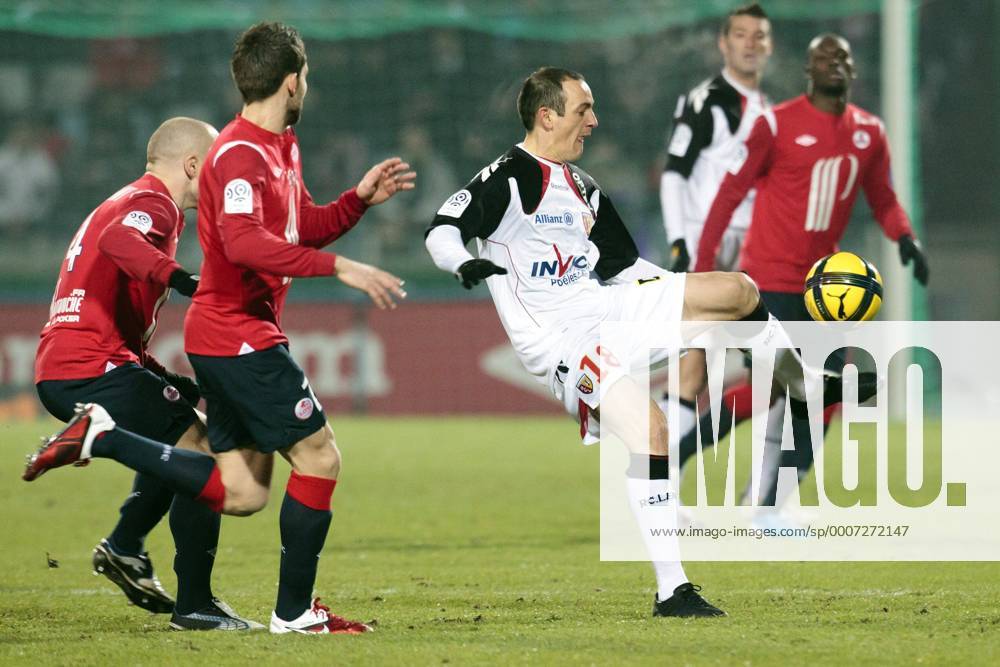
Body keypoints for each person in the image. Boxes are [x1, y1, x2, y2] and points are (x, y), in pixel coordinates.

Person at [24, 21, 413, 635]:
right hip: (234, 335)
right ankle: (283, 611)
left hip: (215, 336)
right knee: (318, 455)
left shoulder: (280, 147)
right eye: (306, 76)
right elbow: (243, 242)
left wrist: (356, 202)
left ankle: (134, 520)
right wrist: (338, 268)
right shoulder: (230, 158)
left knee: (240, 491)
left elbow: (295, 228)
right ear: (293, 80)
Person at [422, 67, 852, 618]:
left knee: (739, 290)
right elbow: (441, 228)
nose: (594, 121)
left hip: (608, 308)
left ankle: (804, 384)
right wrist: (464, 262)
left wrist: (678, 287)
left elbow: (624, 266)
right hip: (562, 341)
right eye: (584, 110)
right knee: (650, 430)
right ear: (547, 116)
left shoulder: (581, 186)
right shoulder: (509, 177)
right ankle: (673, 590)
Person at [32, 117, 265, 630]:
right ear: (191, 165)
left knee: (177, 442)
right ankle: (194, 604)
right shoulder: (154, 205)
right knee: (204, 455)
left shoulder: (122, 198)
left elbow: (113, 308)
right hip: (92, 365)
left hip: (71, 363)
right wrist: (182, 278)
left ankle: (126, 547)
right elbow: (121, 241)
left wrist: (168, 379)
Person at [693, 33, 930, 521]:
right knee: (771, 388)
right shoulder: (776, 124)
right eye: (823, 57)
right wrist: (704, 265)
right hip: (769, 279)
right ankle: (670, 459)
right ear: (808, 69)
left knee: (825, 396)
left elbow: (882, 198)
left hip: (824, 290)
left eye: (841, 57)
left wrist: (905, 237)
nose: (833, 64)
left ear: (852, 69)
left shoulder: (868, 131)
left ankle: (769, 508)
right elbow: (730, 193)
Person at [659, 2, 773, 474]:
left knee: (716, 369)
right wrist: (680, 243)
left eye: (759, 35)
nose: (750, 43)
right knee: (694, 369)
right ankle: (656, 481)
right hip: (711, 247)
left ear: (769, 46)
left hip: (755, 250)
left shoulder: (768, 108)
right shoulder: (706, 99)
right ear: (723, 44)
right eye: (741, 34)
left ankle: (662, 480)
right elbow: (674, 173)